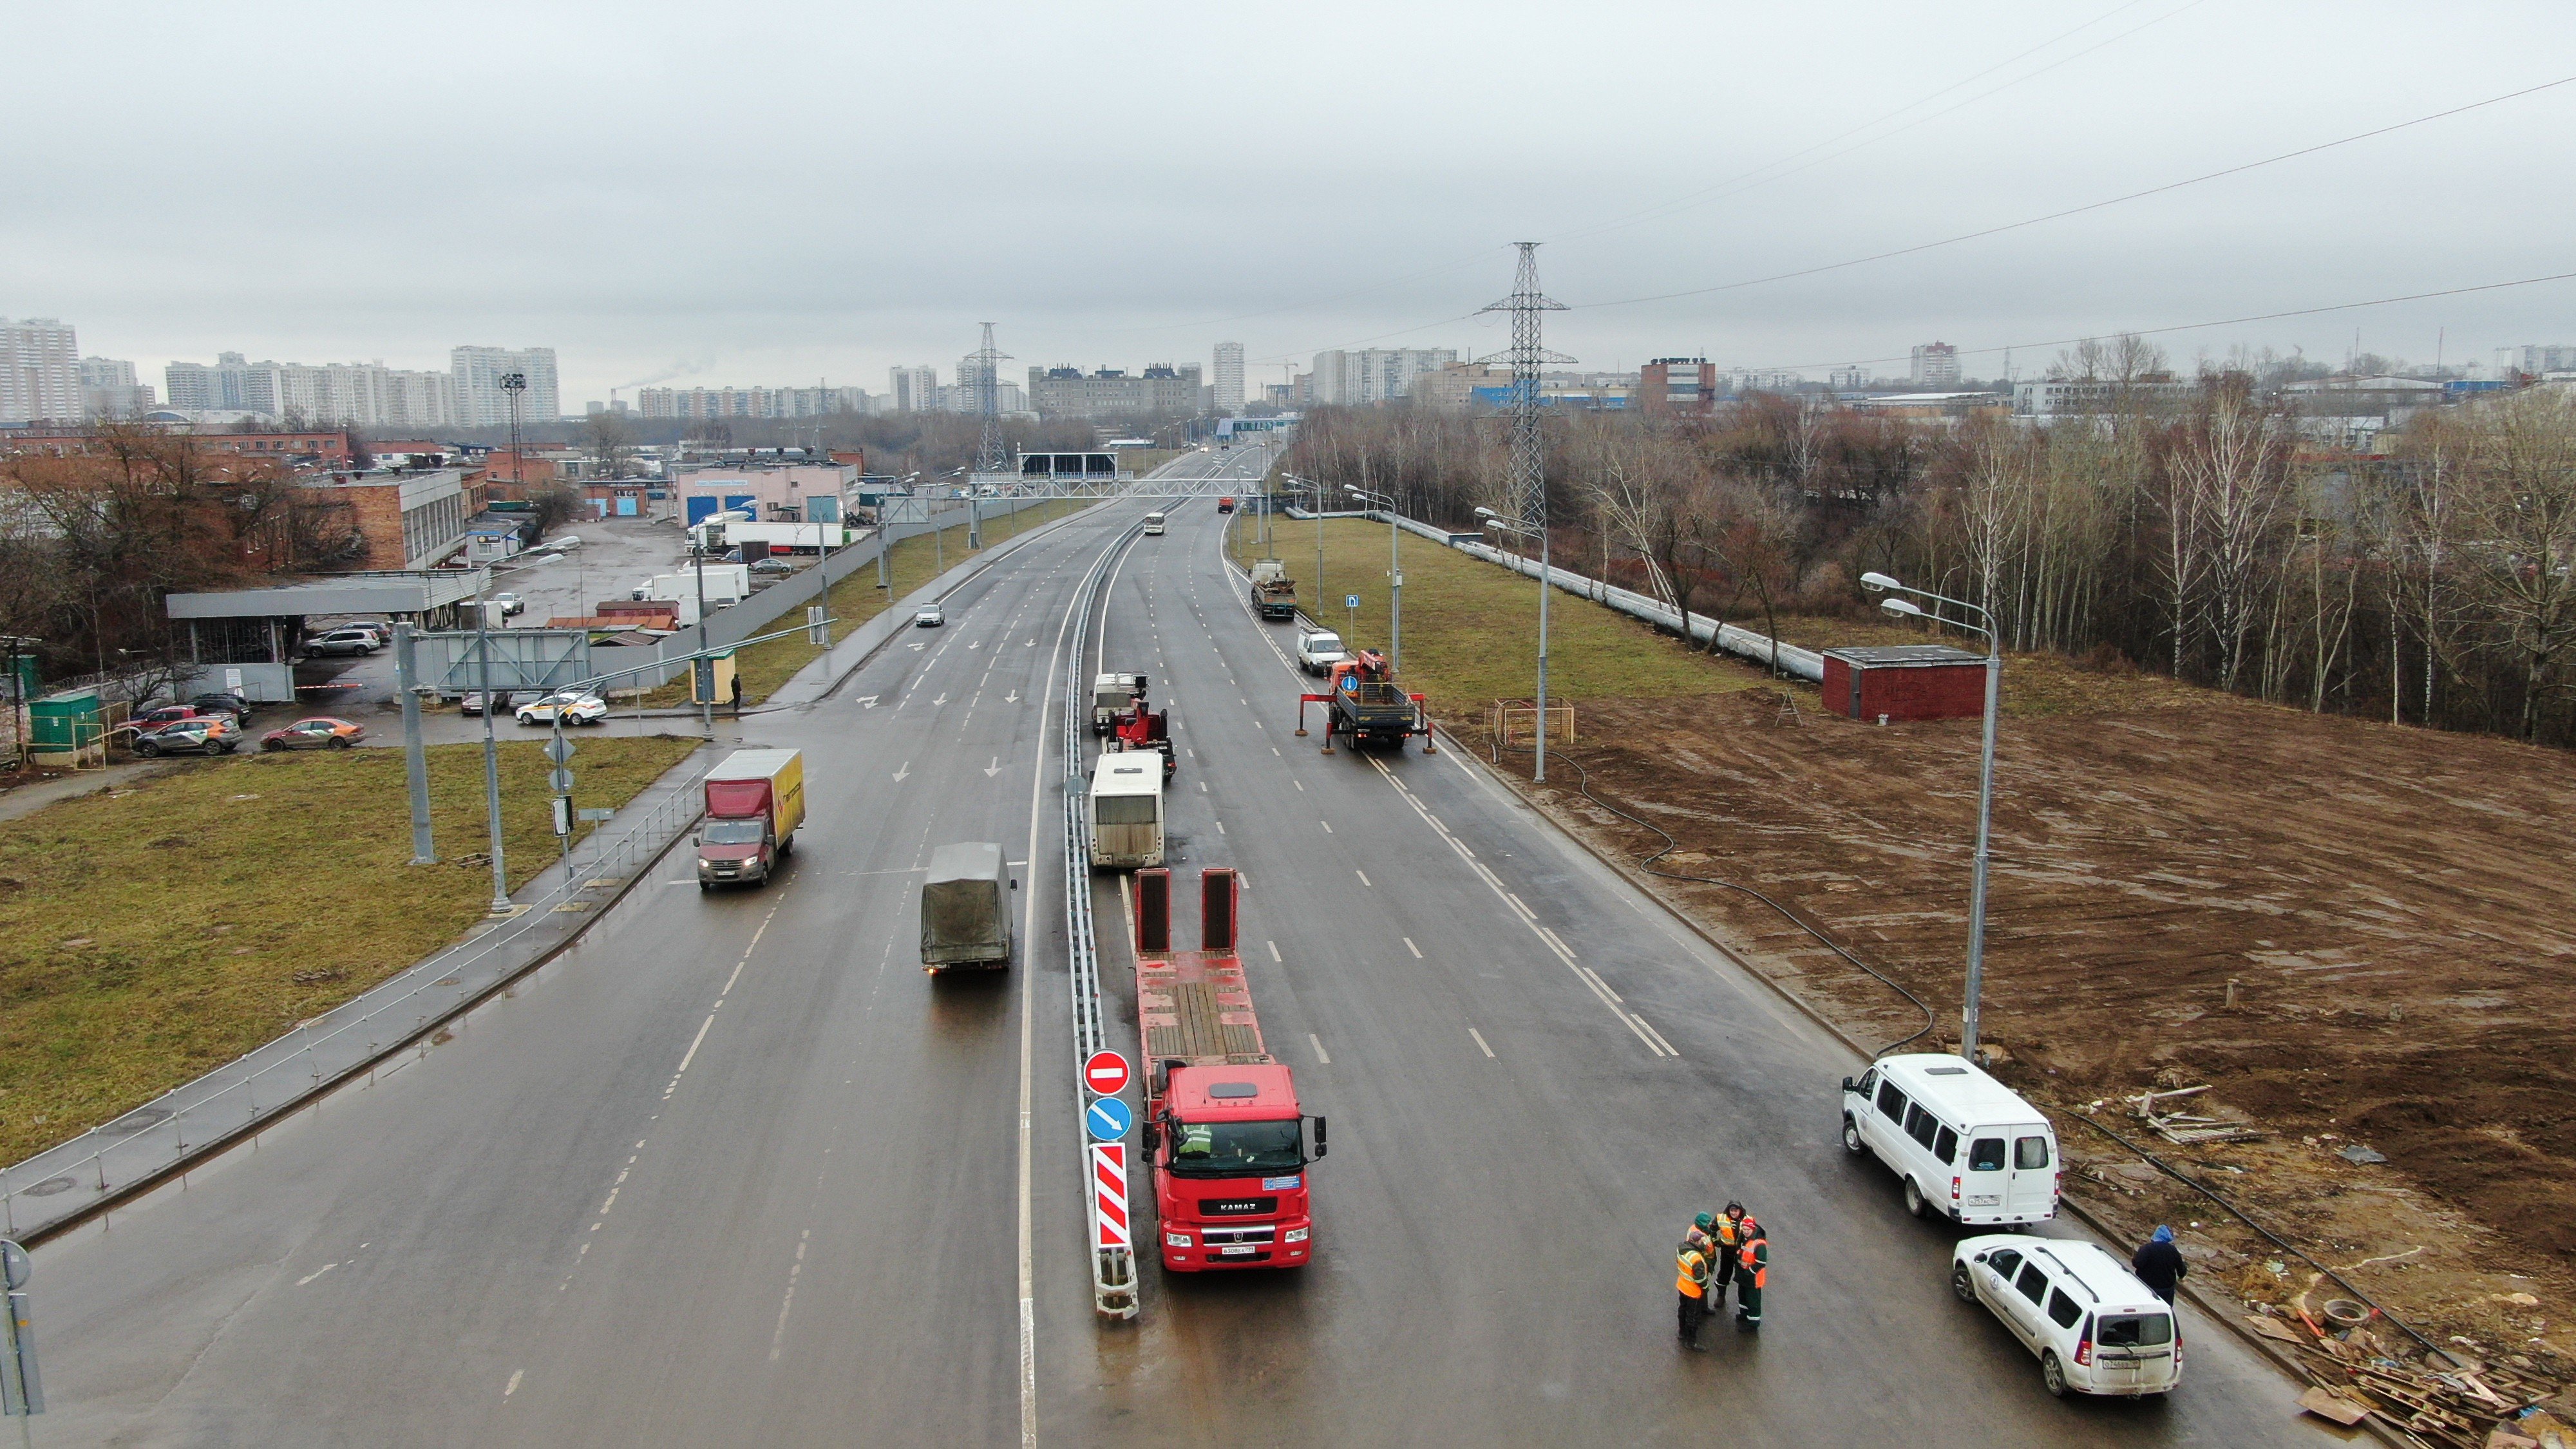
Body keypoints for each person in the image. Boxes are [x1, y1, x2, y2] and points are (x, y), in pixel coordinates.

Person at [1676, 1235, 1714, 1349]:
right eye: (1702, 1242)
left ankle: (1682, 1333)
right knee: (1693, 1316)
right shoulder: (1696, 1258)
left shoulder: (1681, 1249)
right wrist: (1706, 1287)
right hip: (1693, 1291)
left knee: (1683, 1308)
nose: (1704, 1244)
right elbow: (1700, 1278)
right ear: (1696, 1242)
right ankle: (1691, 1342)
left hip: (1682, 1285)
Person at [2132, 1225, 2186, 1304]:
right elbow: (2181, 1272)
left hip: (2146, 1286)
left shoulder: (2146, 1248)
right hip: (2166, 1291)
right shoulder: (2173, 1251)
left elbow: (2138, 1264)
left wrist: (2134, 1259)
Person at [1734, 1221, 1769, 1331]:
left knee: (1753, 1301)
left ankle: (1753, 1324)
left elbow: (1761, 1262)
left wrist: (1749, 1272)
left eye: (1748, 1230)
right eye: (1744, 1229)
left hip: (1753, 1278)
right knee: (1743, 1296)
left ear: (1753, 1229)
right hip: (1744, 1276)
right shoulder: (1745, 1239)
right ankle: (1744, 1314)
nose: (1746, 1232)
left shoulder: (1759, 1244)